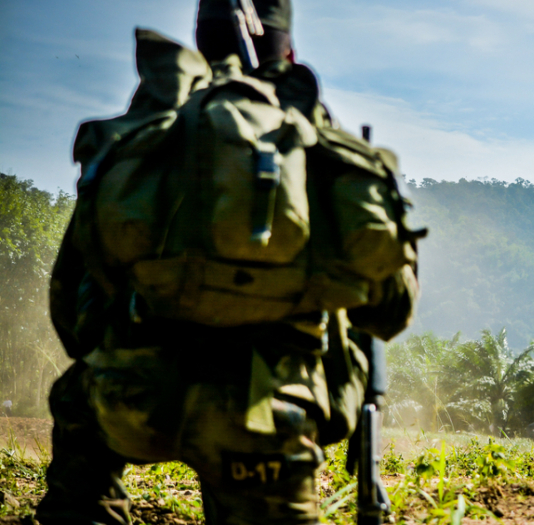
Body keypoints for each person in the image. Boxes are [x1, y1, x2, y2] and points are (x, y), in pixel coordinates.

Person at [36, 2, 385, 524]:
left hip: (134, 403)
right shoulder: (314, 141)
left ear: (202, 46)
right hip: (271, 420)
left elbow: (71, 293)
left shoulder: (146, 134)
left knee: (78, 406)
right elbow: (389, 305)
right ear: (288, 52)